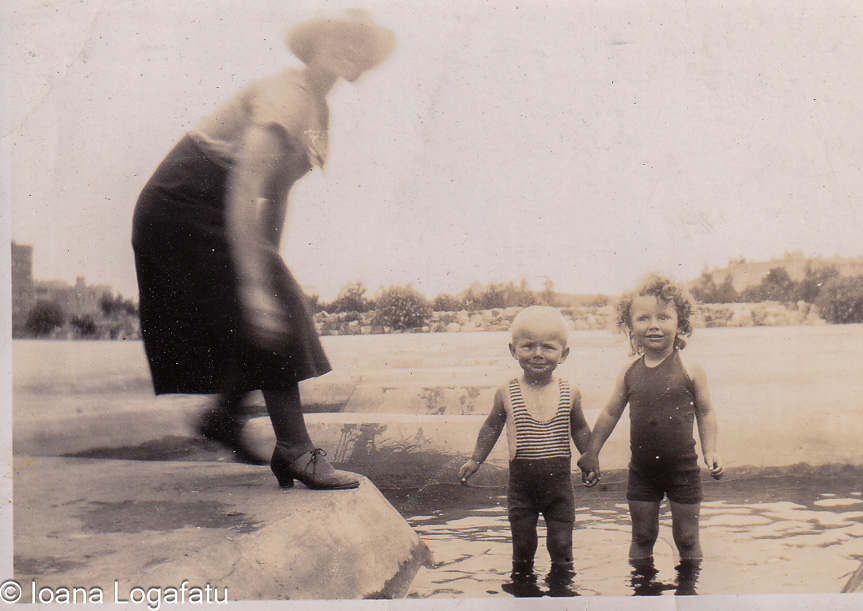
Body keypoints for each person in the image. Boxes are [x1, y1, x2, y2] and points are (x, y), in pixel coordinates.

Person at [130, 10, 395, 490]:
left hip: (205, 207)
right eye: (338, 37)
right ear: (314, 43)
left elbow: (276, 194)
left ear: (364, 65)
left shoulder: (319, 112)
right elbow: (245, 183)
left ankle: (223, 418)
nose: (348, 48)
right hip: (182, 203)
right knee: (269, 304)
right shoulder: (287, 94)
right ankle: (295, 450)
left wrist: (267, 264)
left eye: (360, 45)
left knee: (268, 307)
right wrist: (255, 283)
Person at [577, 273, 723, 595]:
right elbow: (611, 412)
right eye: (643, 318)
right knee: (642, 536)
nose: (654, 325)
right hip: (642, 472)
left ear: (679, 322)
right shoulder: (629, 372)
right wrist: (591, 451)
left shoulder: (691, 368)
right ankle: (642, 595)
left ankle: (689, 596)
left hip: (683, 471)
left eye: (664, 316)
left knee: (687, 538)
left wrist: (711, 451)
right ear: (630, 327)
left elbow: (706, 412)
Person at [458, 306, 594, 596]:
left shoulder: (571, 391)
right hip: (522, 488)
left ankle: (563, 592)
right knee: (522, 545)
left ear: (564, 354)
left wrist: (589, 457)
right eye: (528, 345)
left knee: (561, 545)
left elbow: (580, 429)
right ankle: (524, 591)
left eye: (548, 347)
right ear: (513, 350)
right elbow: (491, 427)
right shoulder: (506, 391)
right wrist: (475, 459)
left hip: (559, 489)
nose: (538, 353)